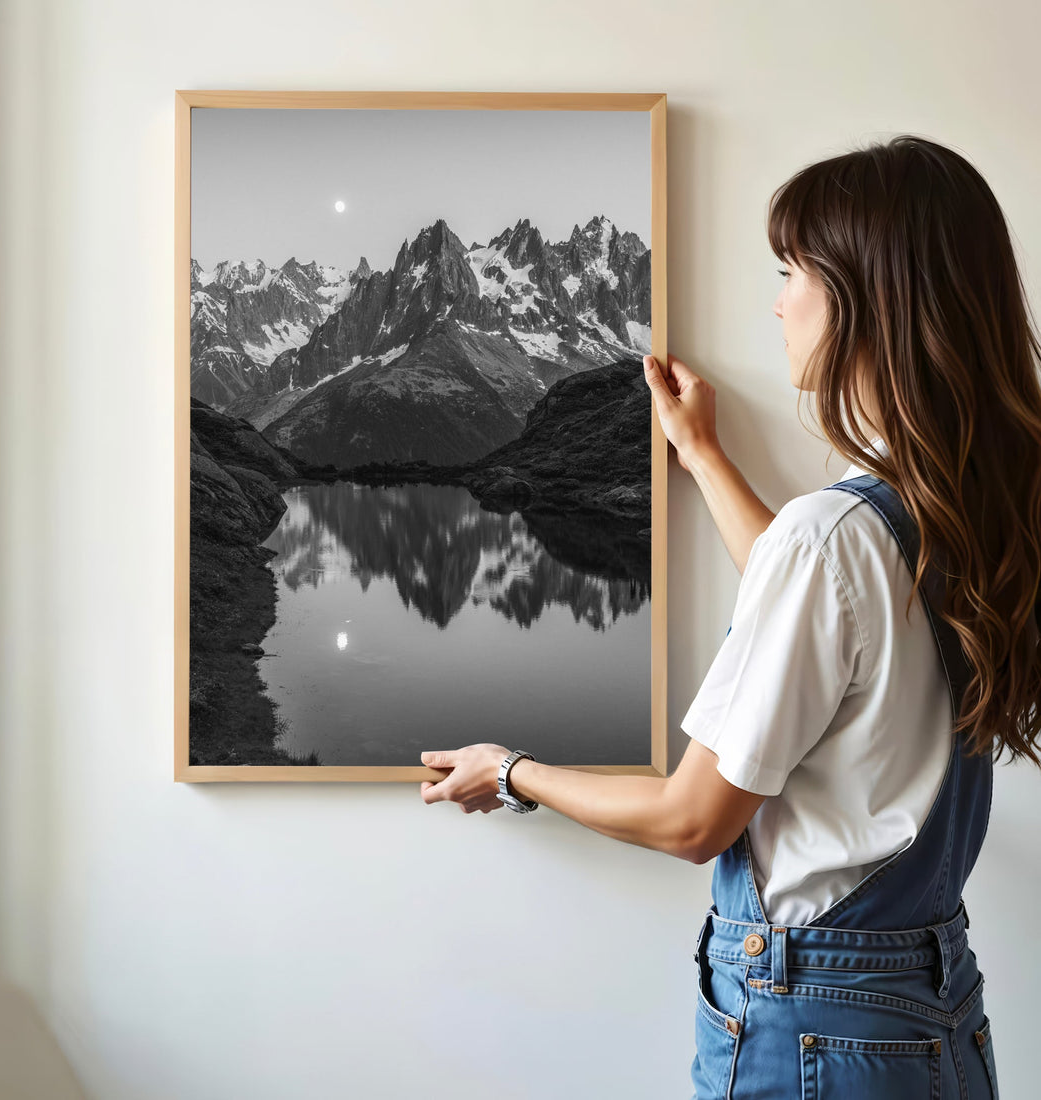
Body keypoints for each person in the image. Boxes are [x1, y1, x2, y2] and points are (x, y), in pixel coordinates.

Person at [419, 134, 1041, 1098]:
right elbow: (826, 620)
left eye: (793, 273)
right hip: (932, 1017)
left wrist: (509, 772)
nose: (779, 302)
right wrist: (704, 456)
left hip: (813, 1030)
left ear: (866, 300)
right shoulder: (964, 511)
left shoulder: (835, 537)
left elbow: (691, 820)